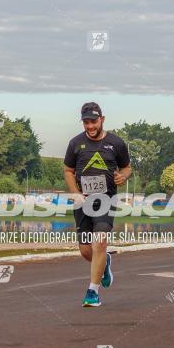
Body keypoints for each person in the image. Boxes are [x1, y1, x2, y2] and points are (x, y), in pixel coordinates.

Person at [63, 102, 132, 307]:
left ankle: (92, 292)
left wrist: (123, 177)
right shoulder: (75, 143)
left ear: (102, 119)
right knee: (86, 251)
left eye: (93, 121)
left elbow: (127, 168)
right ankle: (105, 262)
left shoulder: (116, 143)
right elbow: (68, 170)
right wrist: (75, 193)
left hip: (105, 200)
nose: (90, 126)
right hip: (82, 201)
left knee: (100, 242)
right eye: (86, 122)